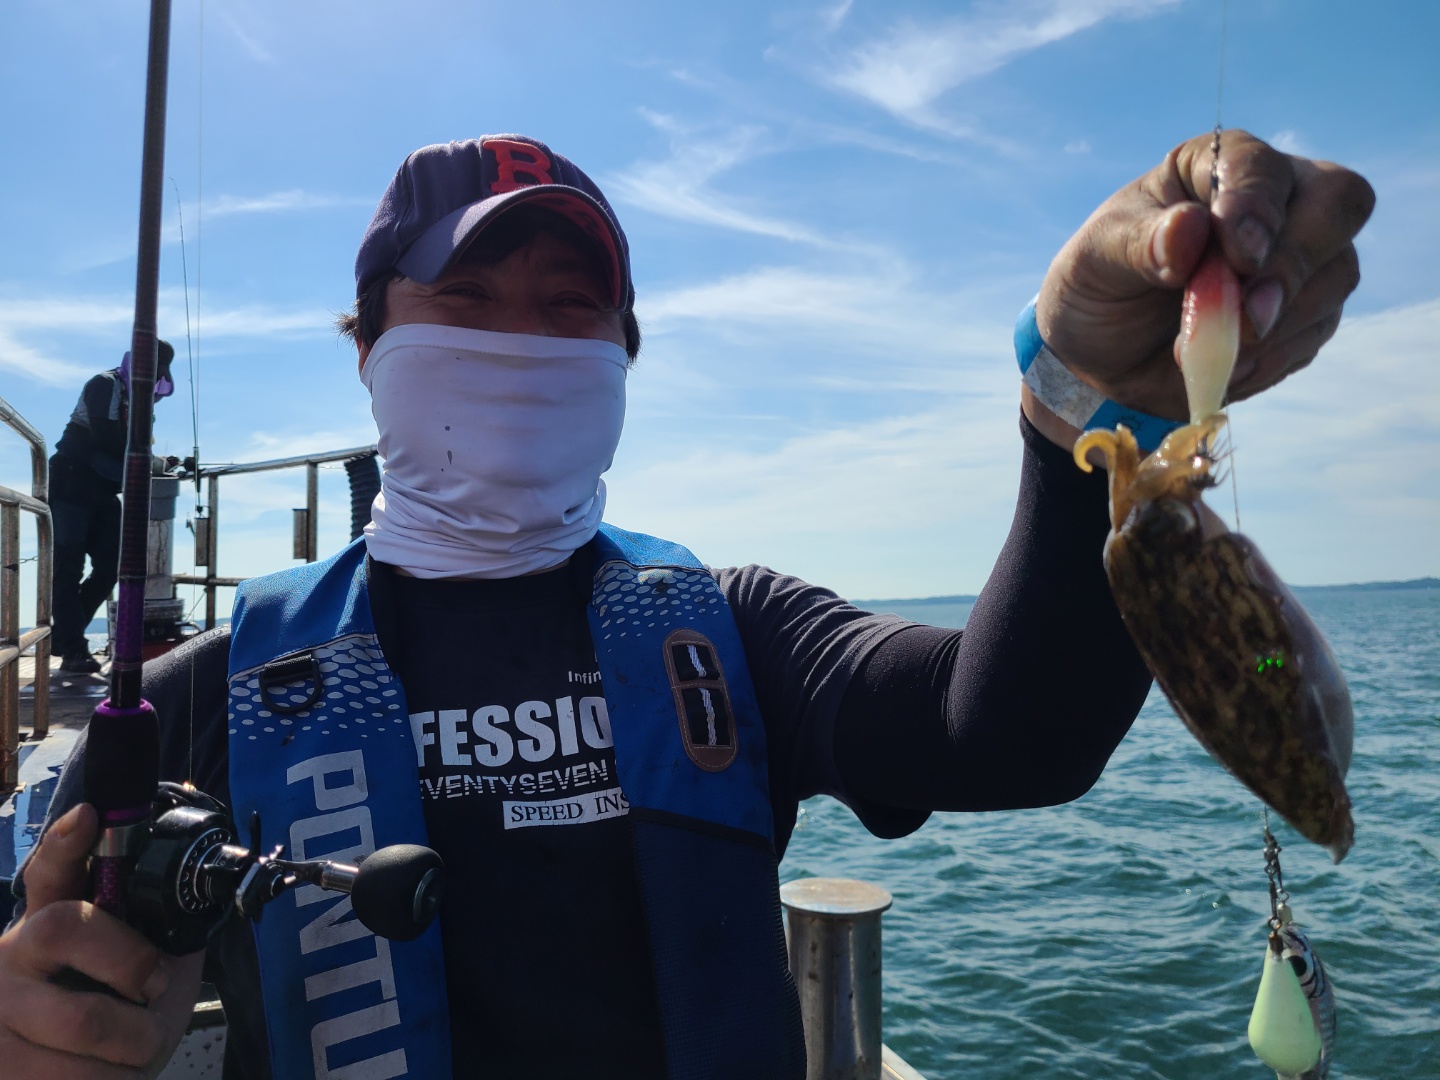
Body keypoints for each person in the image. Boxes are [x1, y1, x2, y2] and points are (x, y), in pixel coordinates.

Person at [0, 132, 1372, 1079]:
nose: (520, 342)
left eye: (570, 307)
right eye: (466, 299)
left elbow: (1007, 732)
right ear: (370, 347)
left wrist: (1084, 406)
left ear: (624, 356)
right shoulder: (214, 687)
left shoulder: (731, 630)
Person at [48, 342, 177, 673]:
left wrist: (160, 461)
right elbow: (105, 438)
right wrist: (152, 461)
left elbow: (128, 446)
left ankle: (63, 636)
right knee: (69, 566)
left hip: (104, 490)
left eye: (159, 375)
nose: (154, 381)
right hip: (71, 482)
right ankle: (73, 649)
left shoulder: (137, 400)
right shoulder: (104, 384)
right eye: (152, 371)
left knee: (111, 567)